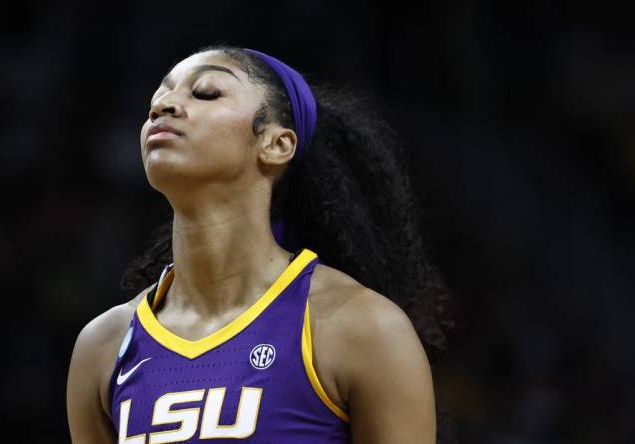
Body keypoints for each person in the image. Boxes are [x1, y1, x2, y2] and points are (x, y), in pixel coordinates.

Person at [67, 44, 454, 443]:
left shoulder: (359, 326)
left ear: (276, 144)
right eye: (158, 97)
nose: (162, 107)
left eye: (206, 93)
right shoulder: (104, 346)